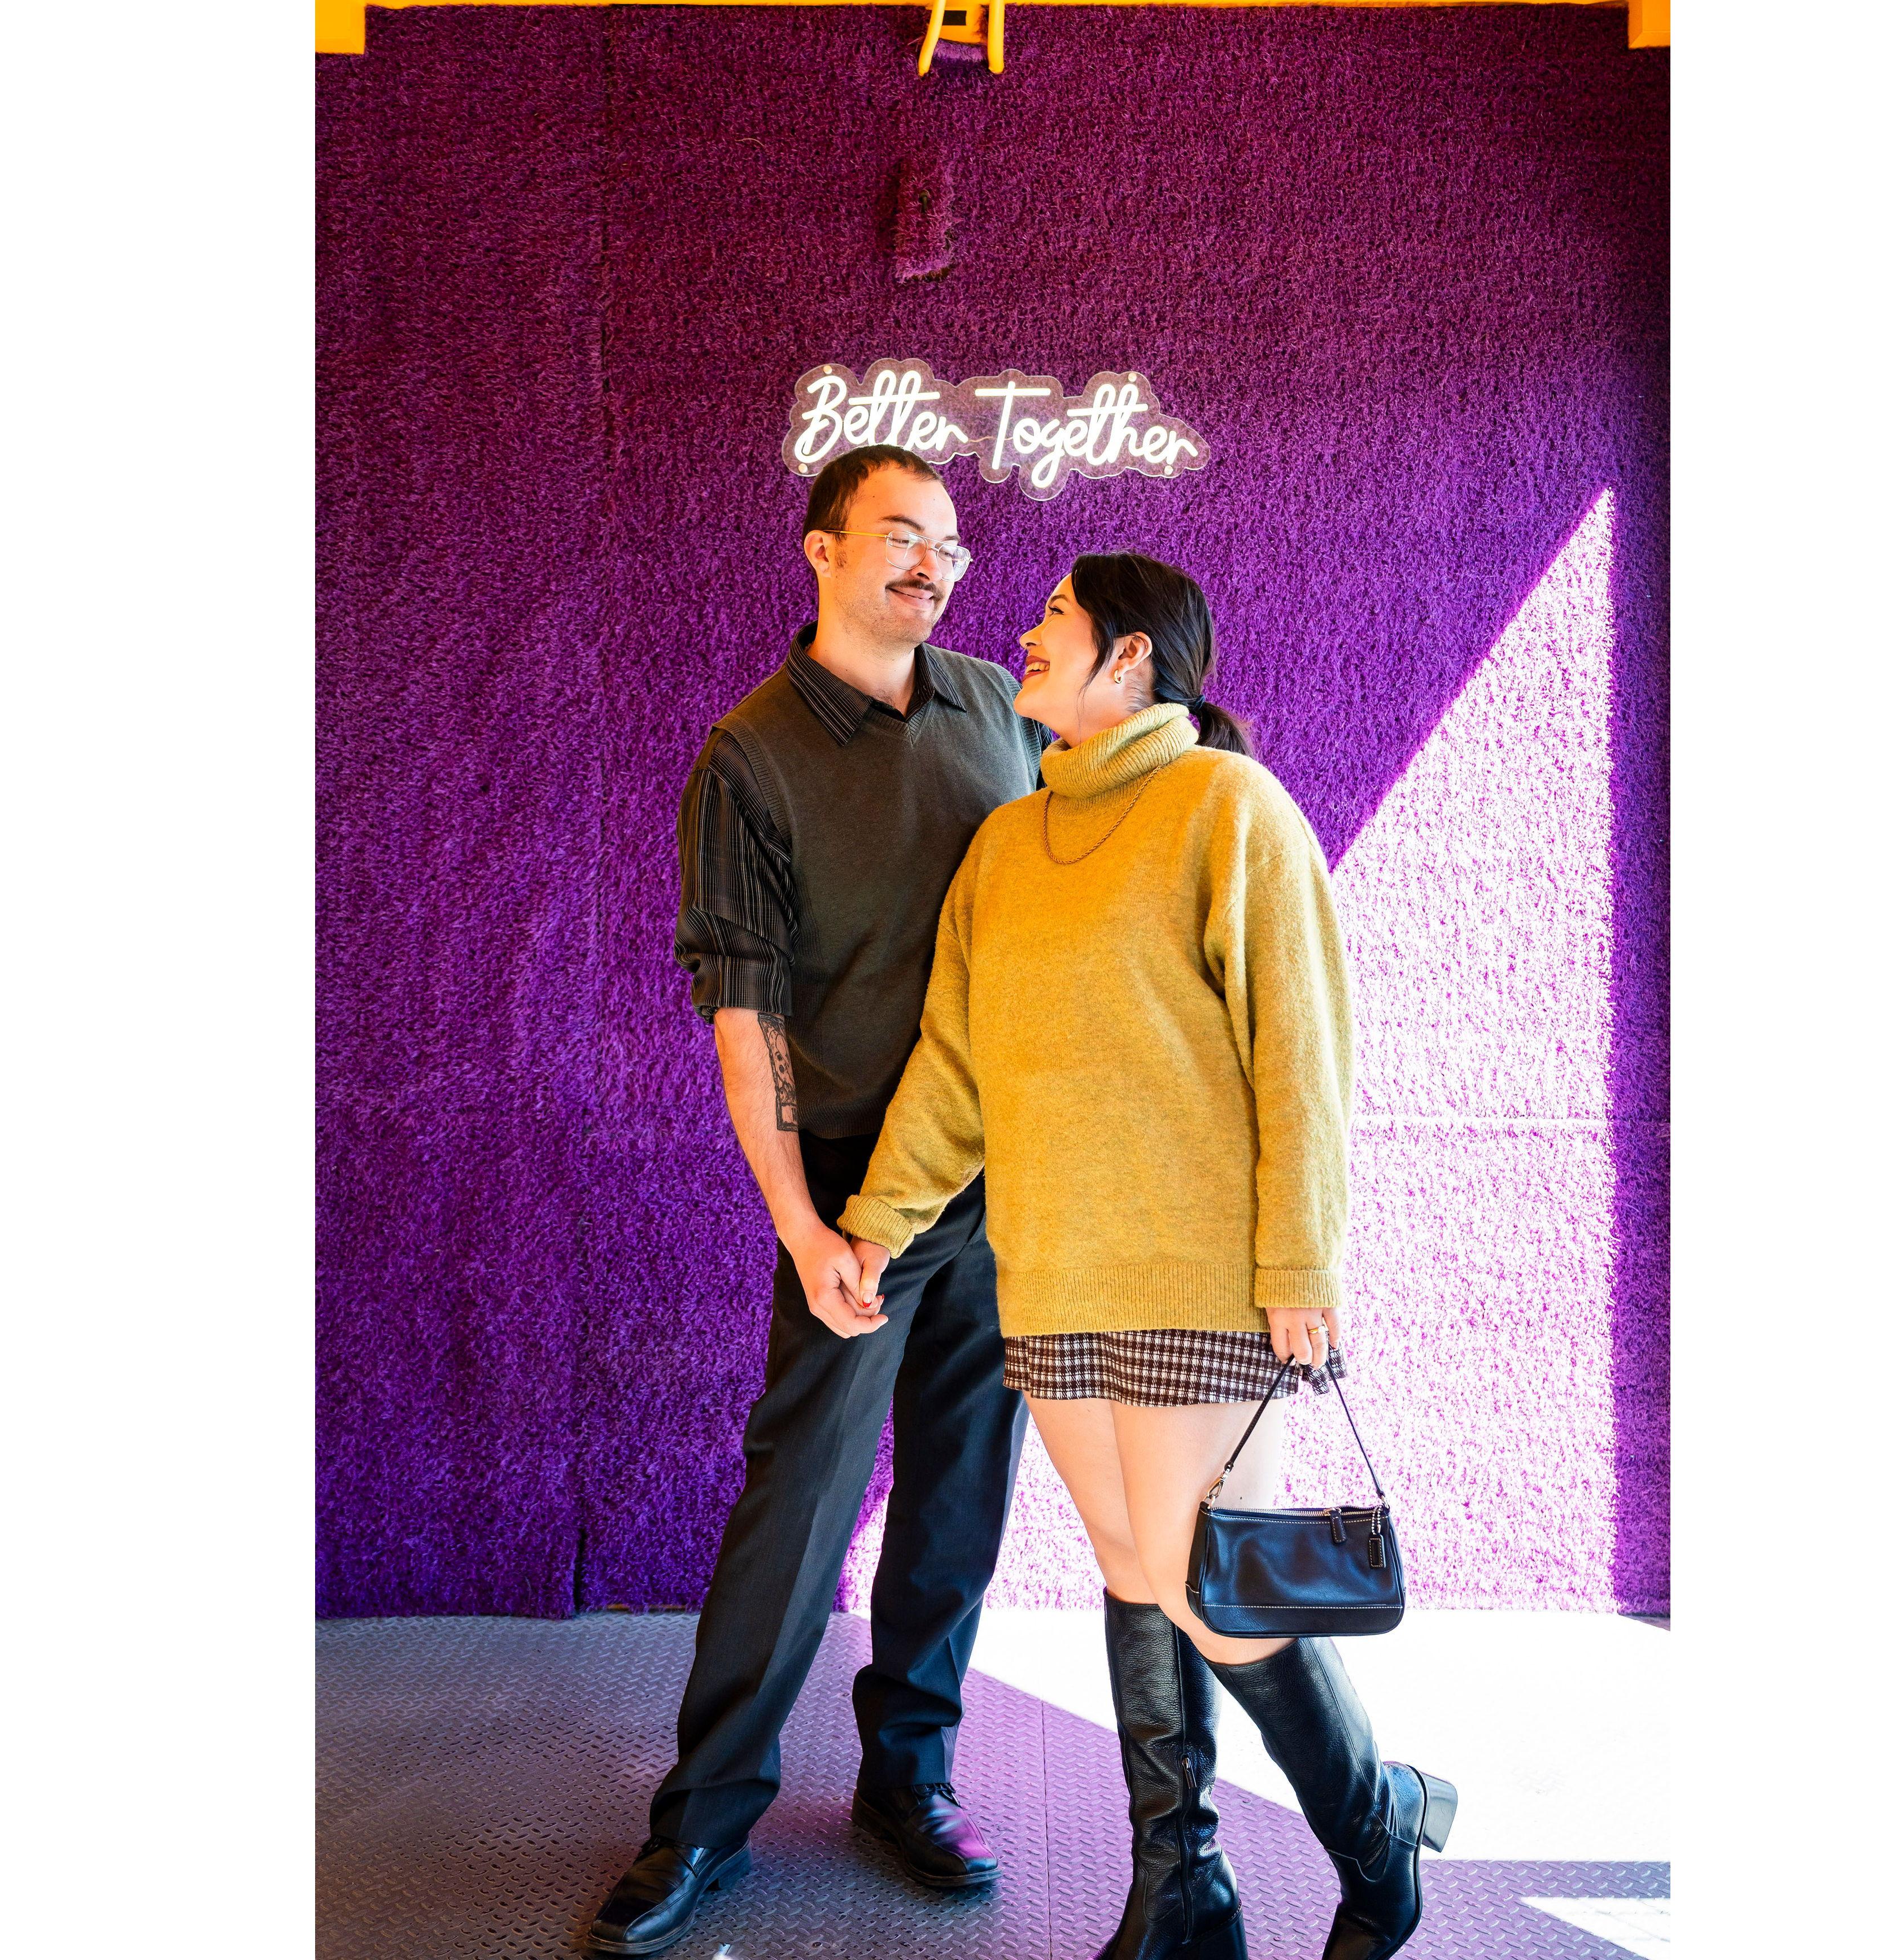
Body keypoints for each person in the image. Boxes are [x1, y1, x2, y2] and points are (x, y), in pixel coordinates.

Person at [841, 552, 1457, 1960]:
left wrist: (1301, 1263)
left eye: (1055, 616)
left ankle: (1380, 1828)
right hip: (1056, 1279)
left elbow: (1302, 1052)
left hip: (1199, 1277)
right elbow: (953, 1069)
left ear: (1131, 658)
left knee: (1208, 1585)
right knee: (1133, 1564)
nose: (1024, 633)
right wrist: (881, 1220)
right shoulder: (1005, 849)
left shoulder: (1229, 809)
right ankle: (1181, 1887)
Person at [587, 446, 1045, 1957]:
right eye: (900, 535)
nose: (932, 564)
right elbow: (748, 1019)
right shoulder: (752, 756)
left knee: (960, 1495)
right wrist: (801, 1224)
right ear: (822, 550)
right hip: (855, 1198)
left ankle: (909, 1780)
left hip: (1005, 1183)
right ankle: (704, 1817)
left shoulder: (999, 709)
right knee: (799, 1505)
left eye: (951, 545)